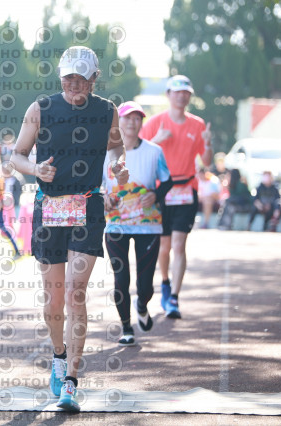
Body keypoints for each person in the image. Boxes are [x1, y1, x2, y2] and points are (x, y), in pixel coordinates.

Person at [10, 46, 128, 412]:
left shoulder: (107, 111)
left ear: (94, 80)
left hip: (88, 206)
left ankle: (71, 383)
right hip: (49, 206)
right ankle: (59, 355)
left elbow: (116, 148)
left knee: (76, 292)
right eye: (68, 78)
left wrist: (118, 167)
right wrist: (35, 170)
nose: (73, 84)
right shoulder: (40, 109)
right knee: (54, 298)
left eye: (81, 78)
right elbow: (16, 155)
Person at [139, 75, 212, 319]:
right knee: (164, 247)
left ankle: (174, 298)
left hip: (186, 189)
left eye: (186, 93)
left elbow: (207, 161)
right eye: (177, 92)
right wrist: (156, 140)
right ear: (168, 94)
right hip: (162, 190)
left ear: (190, 96)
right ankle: (165, 282)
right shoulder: (155, 122)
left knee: (179, 244)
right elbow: (138, 151)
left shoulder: (198, 125)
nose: (182, 96)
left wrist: (208, 144)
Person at [104, 102, 173, 346]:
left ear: (142, 122)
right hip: (116, 225)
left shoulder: (154, 151)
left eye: (137, 118)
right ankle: (126, 327)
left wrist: (155, 194)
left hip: (148, 224)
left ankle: (142, 304)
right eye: (127, 118)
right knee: (121, 278)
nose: (132, 122)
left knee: (145, 285)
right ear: (118, 122)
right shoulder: (104, 153)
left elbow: (167, 181)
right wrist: (103, 197)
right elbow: (95, 186)